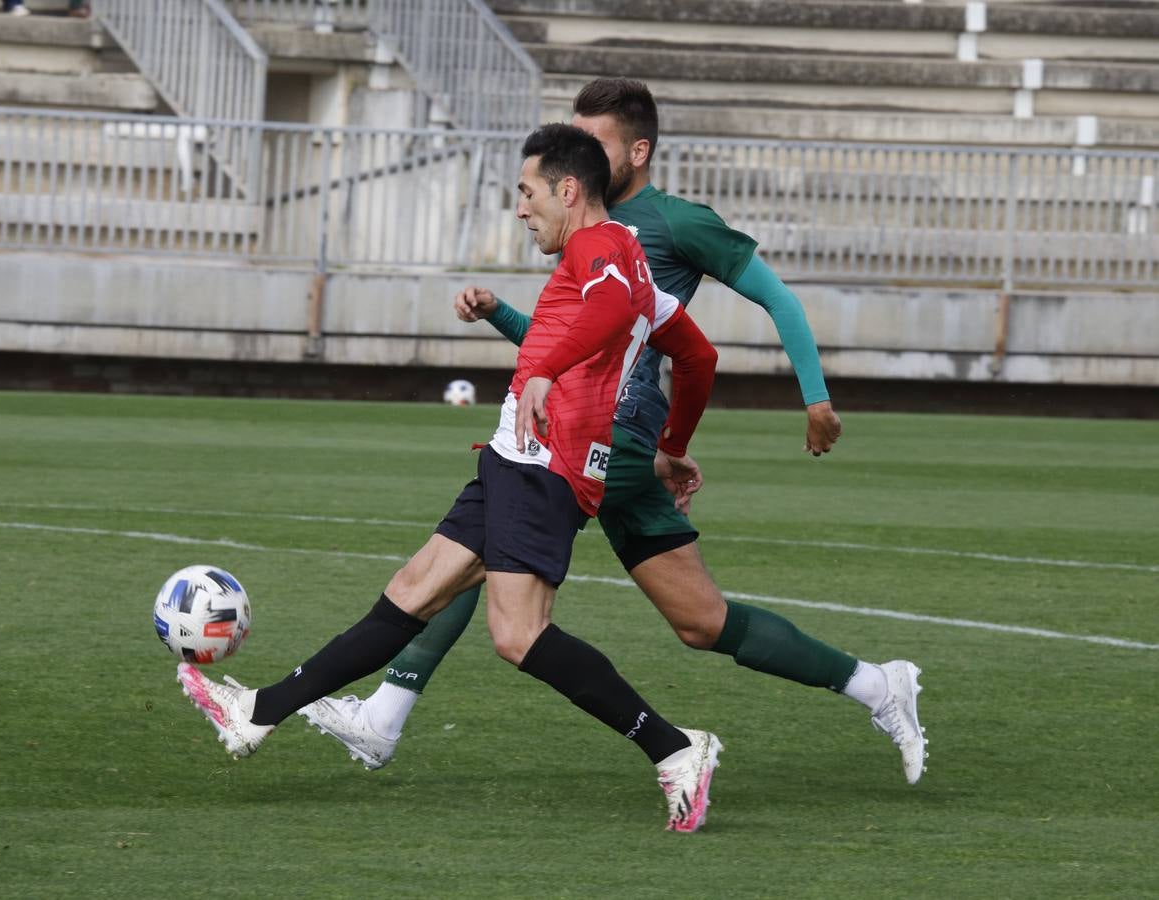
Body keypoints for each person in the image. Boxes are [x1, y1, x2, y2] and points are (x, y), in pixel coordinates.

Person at [299, 78, 929, 786]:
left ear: (637, 150)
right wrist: (502, 314)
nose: (579, 158)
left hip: (611, 437)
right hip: (607, 438)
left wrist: (815, 398)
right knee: (701, 622)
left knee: (490, 539)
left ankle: (386, 713)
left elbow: (769, 299)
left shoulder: (673, 224)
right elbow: (568, 340)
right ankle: (879, 685)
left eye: (594, 143)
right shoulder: (578, 236)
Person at [178, 123, 727, 833]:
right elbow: (699, 356)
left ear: (568, 189)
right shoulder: (625, 257)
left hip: (544, 462)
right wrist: (672, 446)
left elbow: (615, 312)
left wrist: (550, 371)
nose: (521, 208)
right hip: (516, 457)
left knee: (519, 635)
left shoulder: (600, 252)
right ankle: (257, 713)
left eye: (527, 193)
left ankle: (675, 748)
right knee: (411, 594)